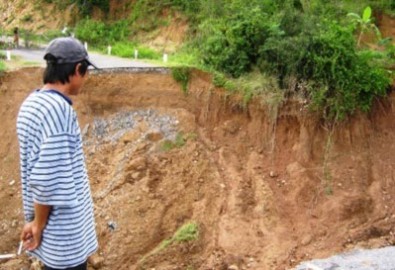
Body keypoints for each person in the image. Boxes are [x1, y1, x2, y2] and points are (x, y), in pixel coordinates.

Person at [16, 37, 99, 270]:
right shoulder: (59, 112)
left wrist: (34, 221)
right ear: (77, 70)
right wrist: (38, 225)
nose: (85, 79)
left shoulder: (31, 103)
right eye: (85, 72)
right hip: (65, 240)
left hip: (53, 239)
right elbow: (47, 181)